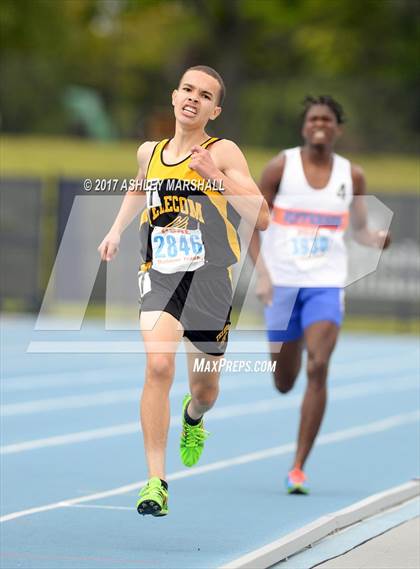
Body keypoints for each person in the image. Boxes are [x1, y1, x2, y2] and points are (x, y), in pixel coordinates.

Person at [98, 65, 269, 516]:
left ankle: (193, 418)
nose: (194, 98)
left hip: (210, 281)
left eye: (205, 94)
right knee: (157, 366)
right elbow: (140, 186)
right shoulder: (148, 152)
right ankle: (156, 482)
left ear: (215, 110)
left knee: (205, 389)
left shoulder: (223, 151)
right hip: (161, 274)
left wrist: (214, 174)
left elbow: (263, 215)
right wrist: (117, 229)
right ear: (175, 97)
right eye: (188, 89)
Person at [249, 95, 391, 494]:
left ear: (338, 129)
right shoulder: (281, 167)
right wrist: (262, 276)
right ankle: (287, 377)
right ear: (303, 127)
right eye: (314, 118)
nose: (320, 125)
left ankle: (297, 466)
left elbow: (360, 229)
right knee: (284, 380)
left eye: (328, 119)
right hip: (282, 284)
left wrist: (376, 238)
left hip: (326, 283)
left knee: (319, 366)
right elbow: (251, 225)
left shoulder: (352, 175)